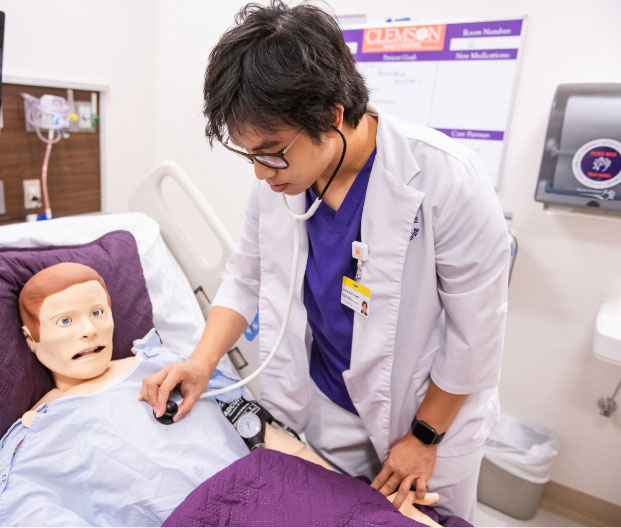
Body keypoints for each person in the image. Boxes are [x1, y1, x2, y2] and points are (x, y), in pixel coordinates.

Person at [140, 1, 510, 521]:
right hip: (326, 404)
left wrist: (425, 436)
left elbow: (477, 336)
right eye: (249, 155)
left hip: (424, 413)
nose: (260, 173)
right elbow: (245, 275)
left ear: (332, 116)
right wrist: (202, 362)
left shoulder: (445, 178)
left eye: (271, 152)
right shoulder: (280, 183)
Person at [1, 262, 440, 527]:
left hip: (272, 493)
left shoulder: (166, 366)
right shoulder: (36, 433)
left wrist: (356, 497)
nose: (89, 329)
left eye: (98, 312)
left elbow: (260, 432)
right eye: (65, 322)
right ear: (30, 338)